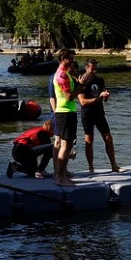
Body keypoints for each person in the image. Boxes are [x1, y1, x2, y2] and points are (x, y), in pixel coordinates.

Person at [53, 48, 92, 186]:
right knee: (65, 146)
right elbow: (69, 97)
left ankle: (61, 175)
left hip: (66, 112)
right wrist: (80, 86)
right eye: (70, 58)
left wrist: (79, 82)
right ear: (63, 59)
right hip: (65, 113)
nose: (72, 61)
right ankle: (60, 178)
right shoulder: (62, 76)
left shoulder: (65, 74)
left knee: (66, 145)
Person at [78, 58, 124, 173]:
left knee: (108, 138)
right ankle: (91, 167)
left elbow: (104, 96)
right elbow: (83, 102)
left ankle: (114, 165)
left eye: (95, 69)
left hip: (99, 112)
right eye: (92, 69)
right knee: (89, 140)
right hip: (87, 113)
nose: (94, 71)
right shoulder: (81, 81)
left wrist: (106, 96)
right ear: (86, 68)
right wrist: (99, 98)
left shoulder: (99, 80)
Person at [49, 60, 78, 179]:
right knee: (58, 142)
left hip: (65, 112)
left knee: (65, 142)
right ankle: (57, 171)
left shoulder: (68, 77)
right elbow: (52, 98)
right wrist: (55, 113)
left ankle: (63, 170)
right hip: (58, 112)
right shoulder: (55, 77)